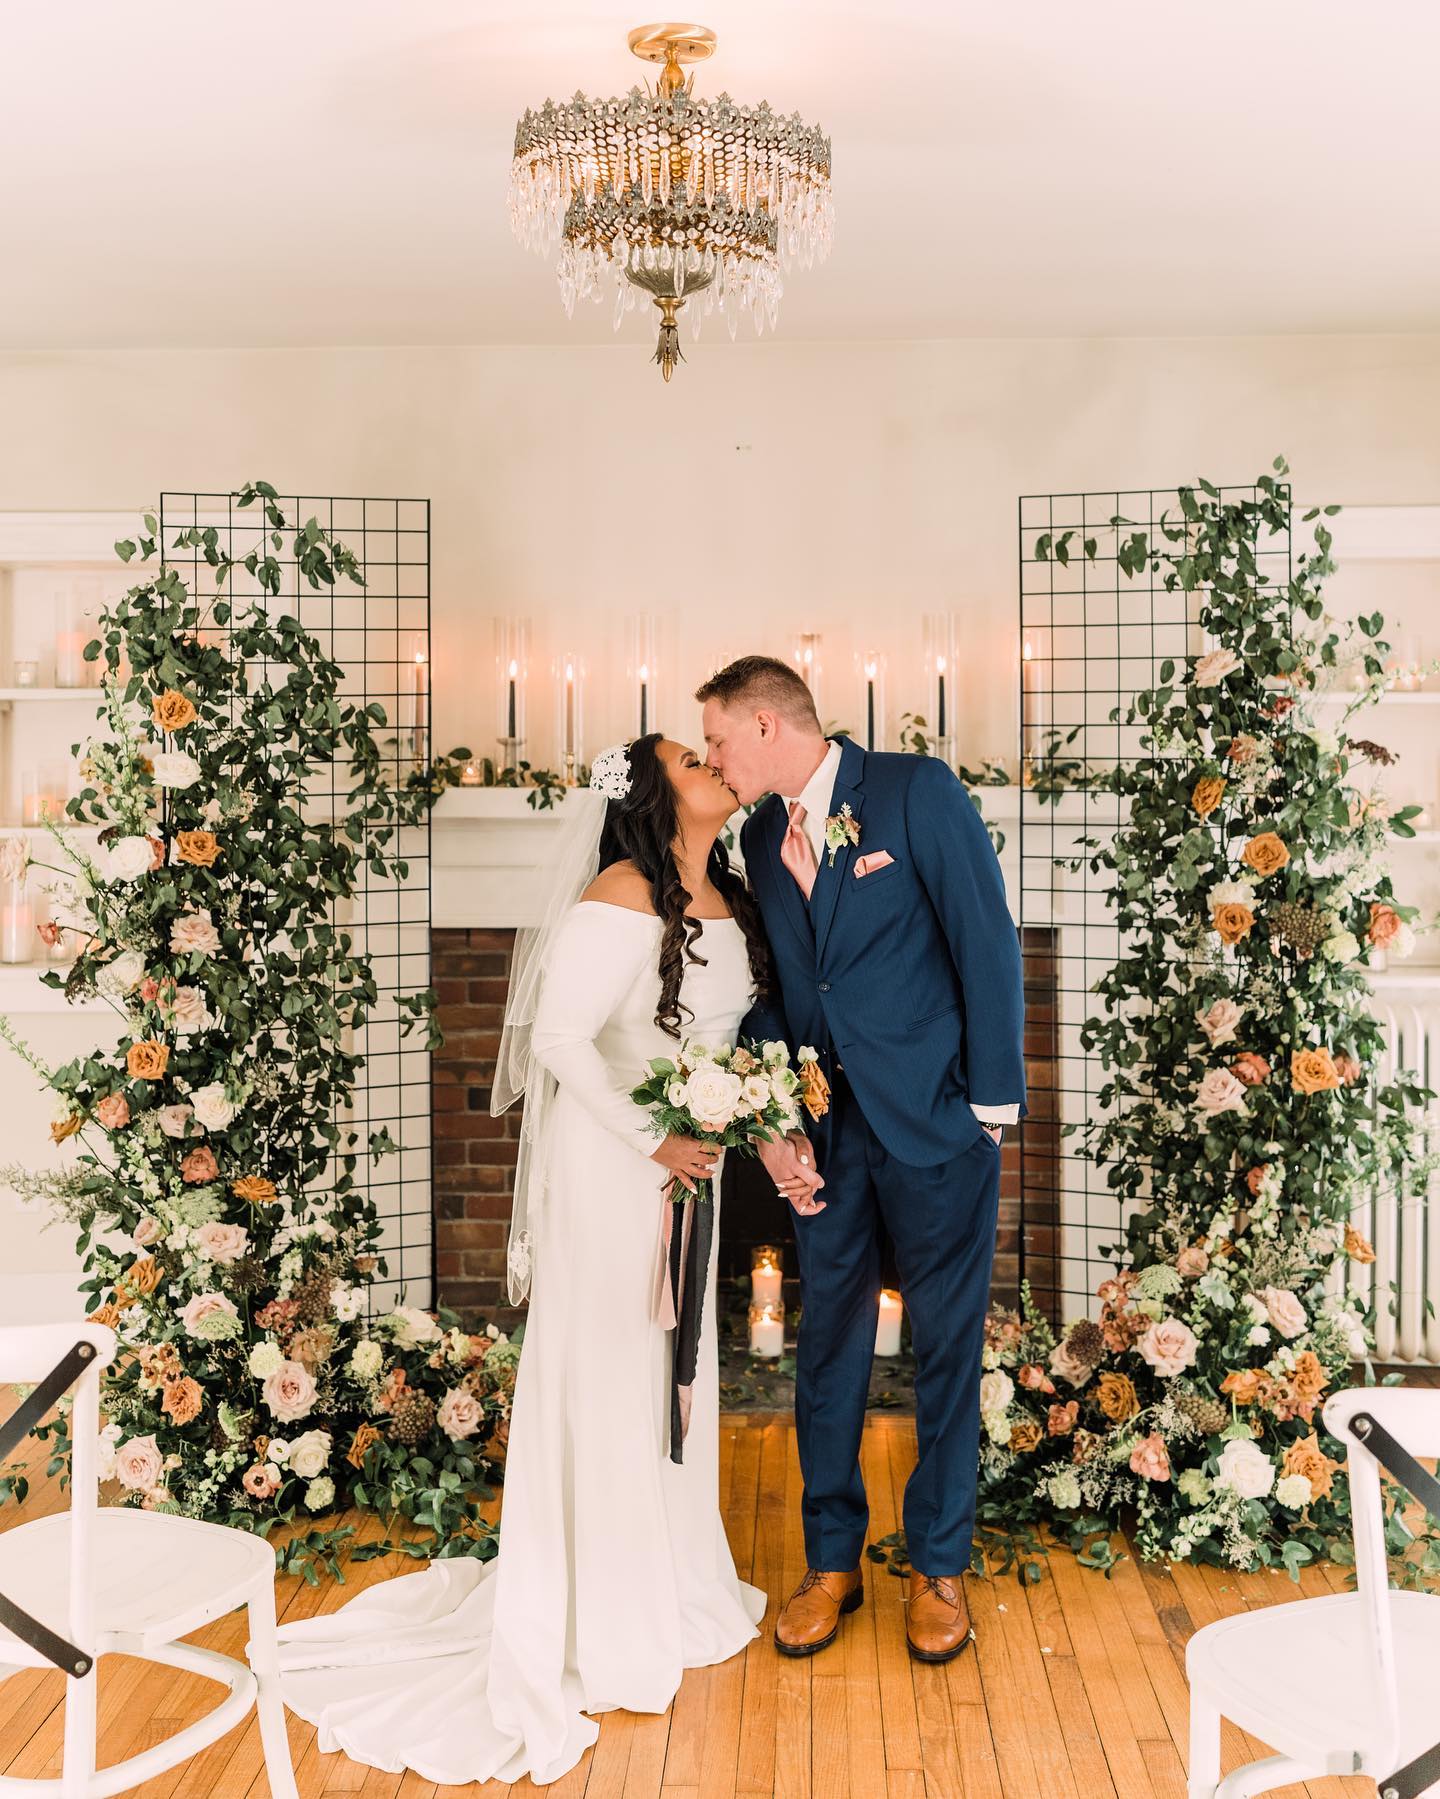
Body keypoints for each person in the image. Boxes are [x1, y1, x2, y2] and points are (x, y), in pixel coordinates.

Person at [273, 736, 767, 1787]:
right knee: (608, 1364)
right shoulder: (622, 888)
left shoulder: (728, 883)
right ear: (650, 790)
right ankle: (602, 1607)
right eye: (690, 753)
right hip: (620, 1165)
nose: (714, 759)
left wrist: (736, 1116)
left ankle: (672, 1578)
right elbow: (556, 1037)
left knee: (671, 1369)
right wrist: (657, 1134)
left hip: (689, 1163)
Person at [699, 655, 1026, 1665]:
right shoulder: (757, 834)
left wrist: (990, 1111)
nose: (710, 758)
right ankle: (829, 1559)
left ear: (764, 721)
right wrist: (772, 1107)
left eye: (715, 737)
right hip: (825, 1138)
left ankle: (938, 1565)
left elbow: (987, 943)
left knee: (943, 1352)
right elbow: (788, 990)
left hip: (939, 1129)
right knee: (825, 1349)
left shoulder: (916, 790)